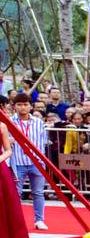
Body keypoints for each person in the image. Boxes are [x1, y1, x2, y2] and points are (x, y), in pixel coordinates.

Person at [7, 97, 49, 229]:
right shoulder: (9, 122)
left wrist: (42, 160)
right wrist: (9, 140)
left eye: (25, 104)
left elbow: (43, 141)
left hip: (37, 162)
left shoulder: (38, 122)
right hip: (17, 162)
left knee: (38, 192)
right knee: (15, 194)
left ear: (31, 106)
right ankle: (15, 221)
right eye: (19, 105)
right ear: (14, 106)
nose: (23, 107)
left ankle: (39, 220)